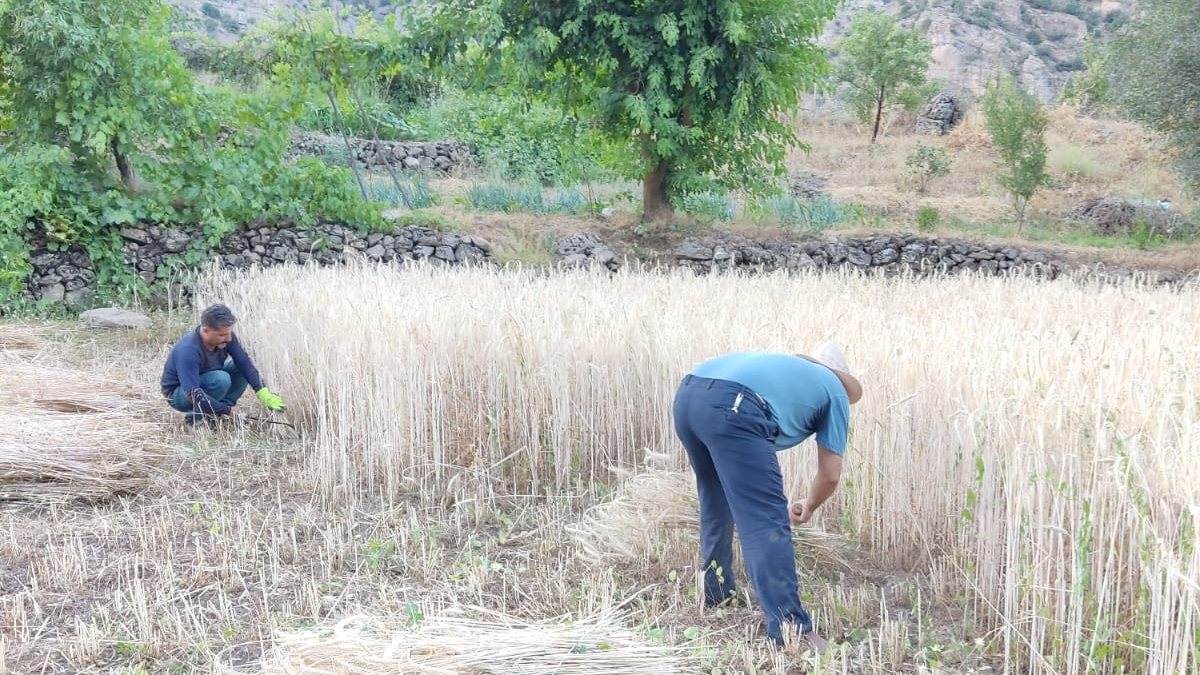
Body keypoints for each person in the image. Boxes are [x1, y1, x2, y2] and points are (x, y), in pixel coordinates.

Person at [672, 343, 863, 651]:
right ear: (841, 378)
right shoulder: (836, 391)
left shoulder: (790, 371)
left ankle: (717, 593)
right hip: (733, 405)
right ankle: (791, 628)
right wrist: (810, 505)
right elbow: (830, 474)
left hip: (688, 395)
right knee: (765, 519)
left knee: (716, 501)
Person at [161, 303, 286, 425]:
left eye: (229, 333)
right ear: (205, 330)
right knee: (221, 379)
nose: (229, 339)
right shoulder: (188, 350)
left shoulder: (226, 337)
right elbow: (193, 393)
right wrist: (229, 411)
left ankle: (216, 414)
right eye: (222, 335)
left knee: (239, 368)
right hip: (179, 394)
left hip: (208, 378)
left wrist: (262, 392)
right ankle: (196, 419)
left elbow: (245, 363)